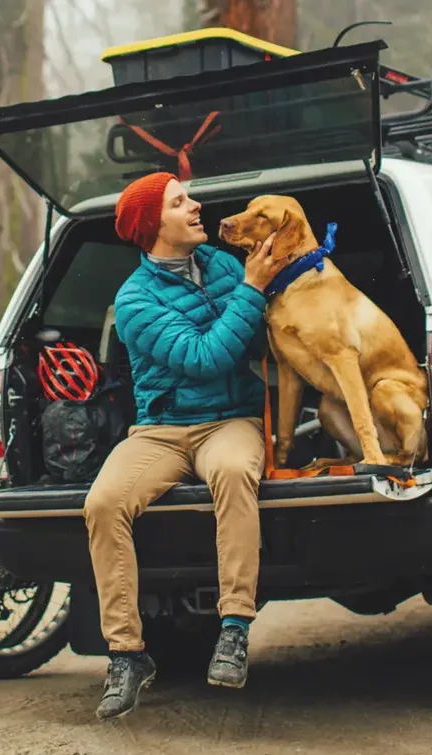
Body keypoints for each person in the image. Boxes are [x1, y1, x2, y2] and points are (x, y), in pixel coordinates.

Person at [83, 171, 290, 720]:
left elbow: (260, 336)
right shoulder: (135, 300)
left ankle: (234, 627)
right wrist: (251, 290)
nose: (196, 206)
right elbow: (203, 358)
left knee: (233, 472)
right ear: (154, 225)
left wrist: (265, 287)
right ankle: (126, 654)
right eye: (180, 202)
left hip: (231, 420)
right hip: (163, 430)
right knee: (103, 503)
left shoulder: (224, 264)